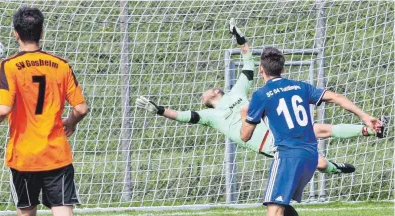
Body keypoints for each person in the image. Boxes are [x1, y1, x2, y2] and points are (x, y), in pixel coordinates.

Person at [136, 19, 386, 175]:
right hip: (266, 143)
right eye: (204, 93)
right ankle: (334, 169)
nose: (207, 89)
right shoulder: (210, 116)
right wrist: (158, 109)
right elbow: (182, 116)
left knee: (320, 128)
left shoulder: (237, 91)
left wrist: (240, 39)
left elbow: (248, 62)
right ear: (206, 101)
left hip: (277, 128)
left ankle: (366, 131)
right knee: (319, 163)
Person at [239, 47, 383, 216]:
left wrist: (245, 116)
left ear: (261, 70)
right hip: (311, 157)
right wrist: (365, 117)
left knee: (274, 209)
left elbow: (245, 136)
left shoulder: (261, 95)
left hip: (288, 156)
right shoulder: (300, 86)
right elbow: (337, 97)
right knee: (284, 208)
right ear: (283, 69)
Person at [0, 7, 88, 216]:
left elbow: (2, 110)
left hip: (24, 155)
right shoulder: (61, 65)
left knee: (27, 210)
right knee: (63, 209)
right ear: (41, 31)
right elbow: (81, 108)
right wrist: (71, 122)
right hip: (56, 153)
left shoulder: (9, 65)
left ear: (15, 33)